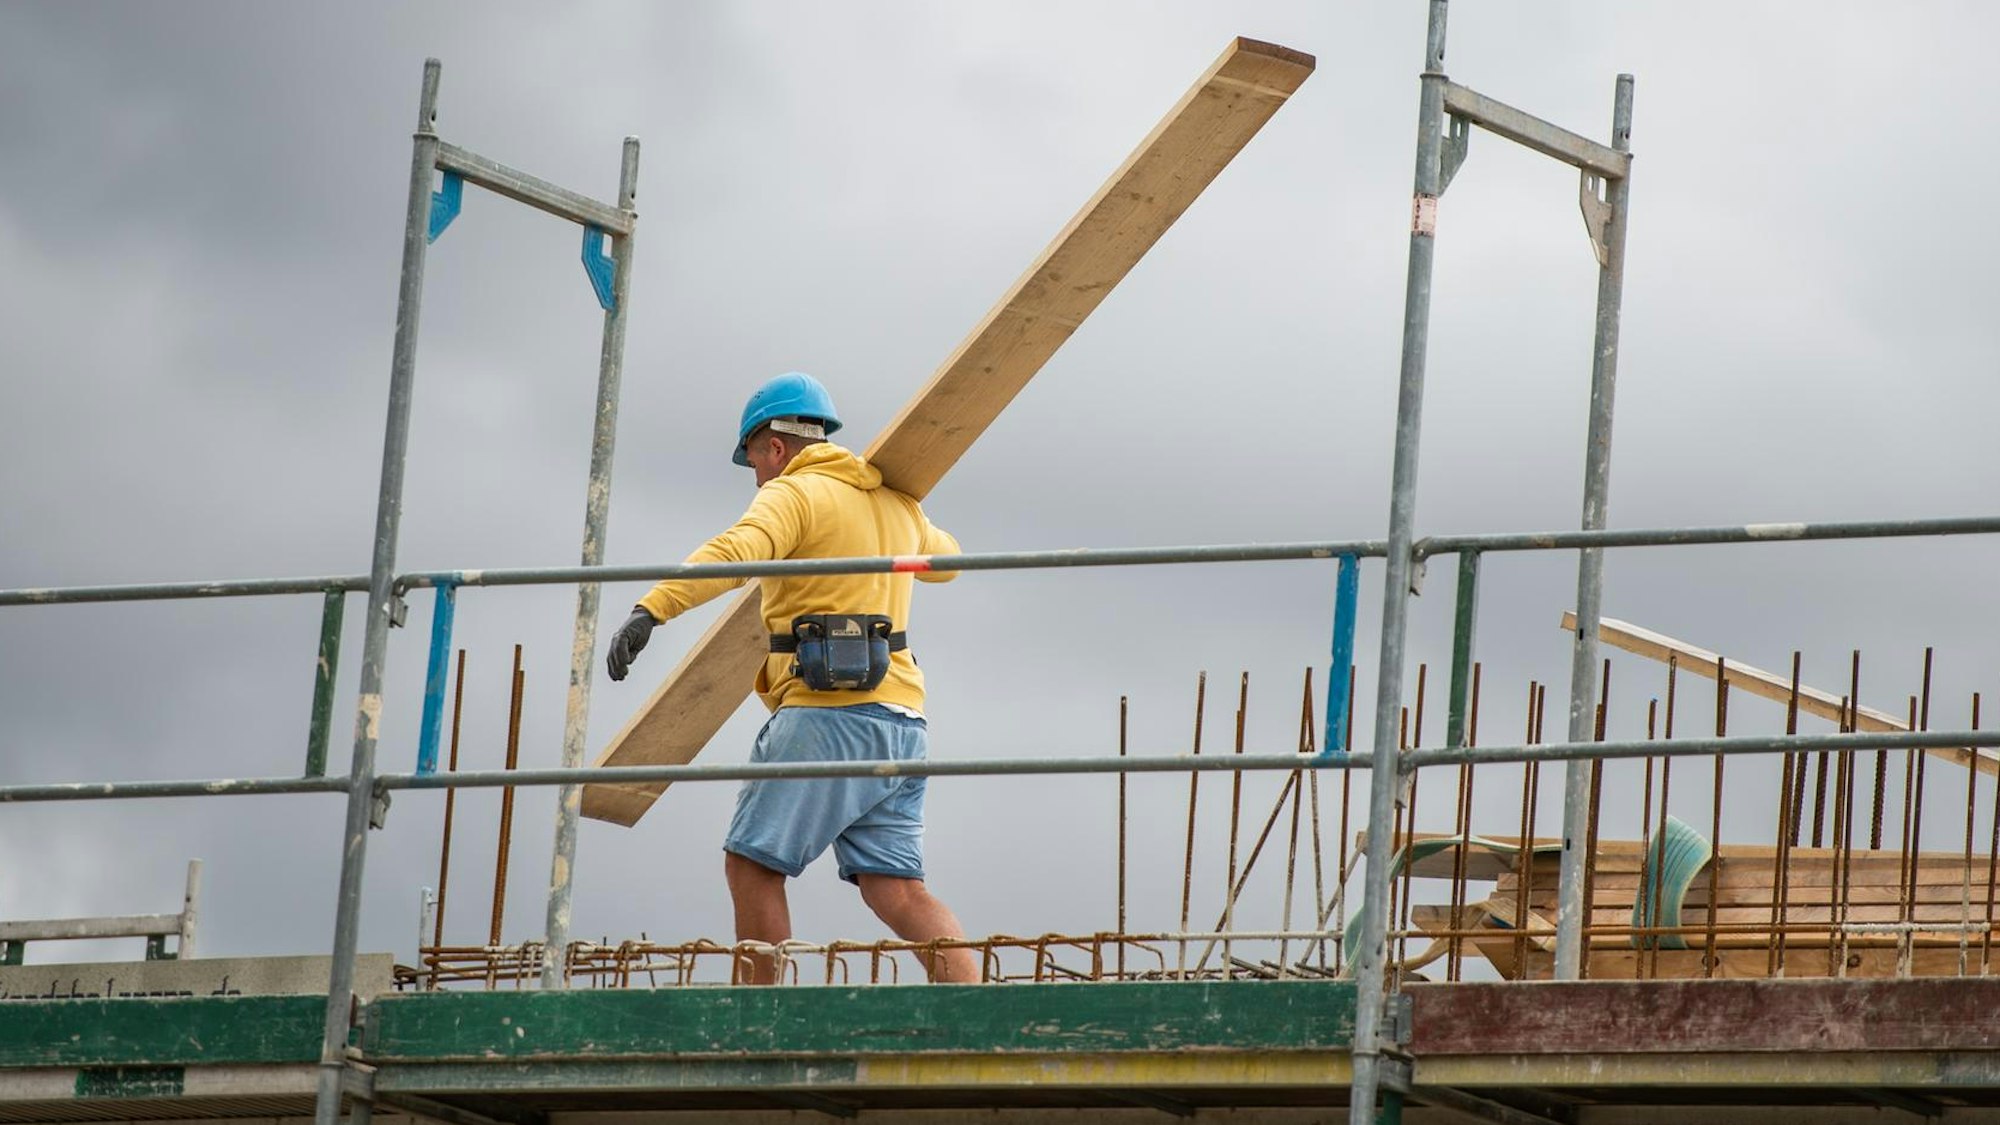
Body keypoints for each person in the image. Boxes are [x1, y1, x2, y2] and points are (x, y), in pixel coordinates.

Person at [605, 371, 979, 984]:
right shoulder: (893, 503)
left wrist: (655, 607)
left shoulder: (794, 494)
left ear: (774, 447)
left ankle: (760, 1019)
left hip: (826, 716)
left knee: (751, 865)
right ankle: (974, 1010)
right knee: (896, 887)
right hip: (902, 722)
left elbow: (738, 550)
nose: (754, 474)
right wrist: (898, 513)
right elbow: (949, 564)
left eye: (753, 458)